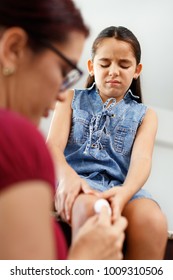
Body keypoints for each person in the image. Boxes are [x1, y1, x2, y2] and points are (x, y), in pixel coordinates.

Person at [0, 1, 127, 260]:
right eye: (62, 71)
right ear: (14, 49)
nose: (61, 94)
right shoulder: (17, 138)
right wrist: (85, 259)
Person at [47, 26, 168, 260]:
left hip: (123, 188)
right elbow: (52, 146)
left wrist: (124, 193)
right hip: (77, 182)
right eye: (104, 64)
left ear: (136, 70)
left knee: (153, 220)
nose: (114, 71)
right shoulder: (70, 99)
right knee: (91, 209)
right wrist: (68, 179)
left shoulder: (146, 115)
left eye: (124, 65)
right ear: (92, 67)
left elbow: (142, 160)